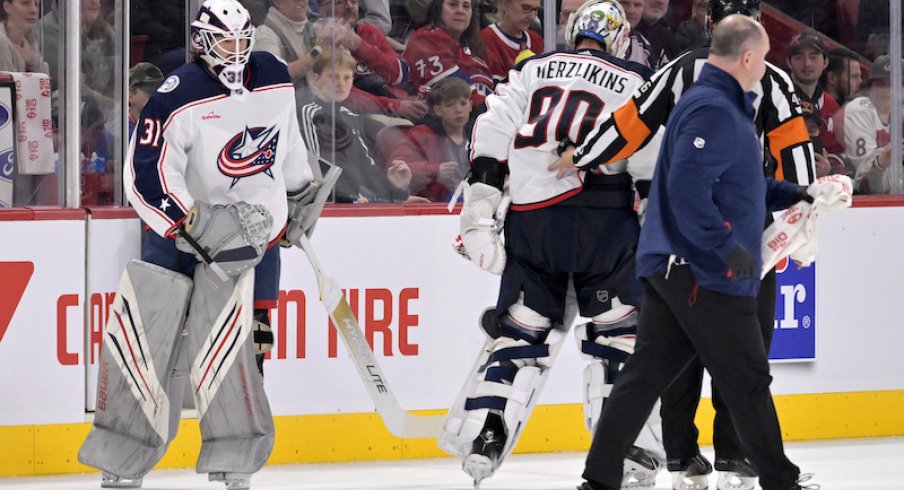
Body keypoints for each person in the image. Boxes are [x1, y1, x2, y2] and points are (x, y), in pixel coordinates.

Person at [550, 1, 816, 488]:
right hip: (701, 270)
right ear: (749, 59)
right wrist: (724, 247)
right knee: (748, 380)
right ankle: (782, 480)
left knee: (644, 378)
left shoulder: (720, 100)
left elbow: (737, 181)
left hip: (678, 265)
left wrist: (793, 192)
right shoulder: (713, 106)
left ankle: (599, 478)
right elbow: (687, 188)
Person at [78, 2, 329, 489]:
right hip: (182, 239)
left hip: (253, 240)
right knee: (149, 351)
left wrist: (299, 195)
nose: (235, 52)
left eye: (241, 41)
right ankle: (122, 461)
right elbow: (146, 177)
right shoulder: (176, 93)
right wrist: (191, 224)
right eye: (224, 42)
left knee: (244, 351)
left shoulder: (275, 74)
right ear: (201, 41)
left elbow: (288, 141)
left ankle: (236, 463)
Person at [438, 1, 658, 487]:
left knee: (521, 331)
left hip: (533, 221)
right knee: (618, 335)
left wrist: (481, 201)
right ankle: (625, 450)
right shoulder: (637, 78)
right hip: (606, 220)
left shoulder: (533, 66)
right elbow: (647, 153)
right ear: (619, 38)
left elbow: (492, 125)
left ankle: (486, 433)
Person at [298, 47, 420, 202]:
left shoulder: (349, 116)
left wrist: (398, 195)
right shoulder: (309, 113)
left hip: (352, 201)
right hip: (328, 204)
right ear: (316, 78)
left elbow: (366, 166)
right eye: (333, 77)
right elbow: (317, 165)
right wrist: (350, 199)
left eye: (347, 77)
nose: (340, 84)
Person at [387, 77, 472, 201]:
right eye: (450, 105)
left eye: (463, 103)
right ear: (438, 110)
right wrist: (434, 170)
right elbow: (396, 166)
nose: (458, 110)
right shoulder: (423, 134)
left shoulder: (478, 134)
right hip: (437, 204)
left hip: (474, 200)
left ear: (470, 105)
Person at [402, 0, 493, 107]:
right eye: (453, 4)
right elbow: (456, 92)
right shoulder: (425, 39)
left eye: (466, 6)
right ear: (438, 9)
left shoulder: (474, 47)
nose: (460, 11)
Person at [835, 54, 903, 194]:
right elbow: (867, 177)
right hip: (857, 200)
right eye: (880, 84)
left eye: (893, 84)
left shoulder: (899, 113)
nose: (887, 90)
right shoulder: (859, 109)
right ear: (870, 87)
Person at [479, 0, 543, 83]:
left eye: (536, 10)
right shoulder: (485, 40)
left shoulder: (537, 40)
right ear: (505, 5)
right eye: (526, 8)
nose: (532, 17)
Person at [0, 0, 47, 73]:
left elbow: (45, 80)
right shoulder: (1, 41)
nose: (34, 10)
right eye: (25, 3)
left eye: (36, 5)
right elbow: (7, 83)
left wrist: (31, 59)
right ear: (7, 7)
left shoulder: (30, 41)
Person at [125, 62, 164, 138]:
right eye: (150, 91)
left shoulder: (164, 126)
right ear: (130, 95)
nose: (156, 96)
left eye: (159, 91)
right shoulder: (119, 133)